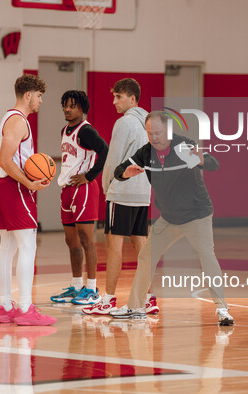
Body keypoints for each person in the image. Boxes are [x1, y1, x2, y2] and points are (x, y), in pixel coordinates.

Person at [109, 111, 234, 326]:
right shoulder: (146, 152)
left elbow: (214, 163)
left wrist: (202, 160)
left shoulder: (183, 145)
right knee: (146, 257)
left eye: (157, 133)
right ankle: (136, 307)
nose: (153, 137)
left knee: (207, 256)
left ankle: (222, 309)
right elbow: (120, 169)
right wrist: (124, 174)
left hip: (197, 214)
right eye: (149, 133)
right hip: (169, 218)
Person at [82, 78, 158, 316]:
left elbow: (113, 159)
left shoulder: (124, 123)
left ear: (133, 99)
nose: (114, 101)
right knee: (141, 248)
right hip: (143, 194)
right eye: (114, 96)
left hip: (122, 192)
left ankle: (107, 300)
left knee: (113, 247)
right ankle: (148, 298)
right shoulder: (150, 123)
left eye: (119, 97)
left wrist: (107, 187)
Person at [0, 73, 56, 326]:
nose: (40, 101)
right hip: (14, 187)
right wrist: (29, 182)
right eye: (39, 96)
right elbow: (5, 160)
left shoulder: (9, 117)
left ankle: (6, 307)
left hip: (2, 186)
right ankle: (26, 308)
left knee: (7, 248)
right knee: (28, 246)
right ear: (28, 95)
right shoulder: (19, 121)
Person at [50, 90, 108, 306]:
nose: (67, 109)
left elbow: (105, 150)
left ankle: (92, 289)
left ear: (82, 109)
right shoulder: (64, 130)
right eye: (65, 105)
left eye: (72, 105)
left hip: (83, 189)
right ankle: (76, 286)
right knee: (70, 241)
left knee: (86, 239)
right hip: (67, 189)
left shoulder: (87, 131)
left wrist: (89, 176)